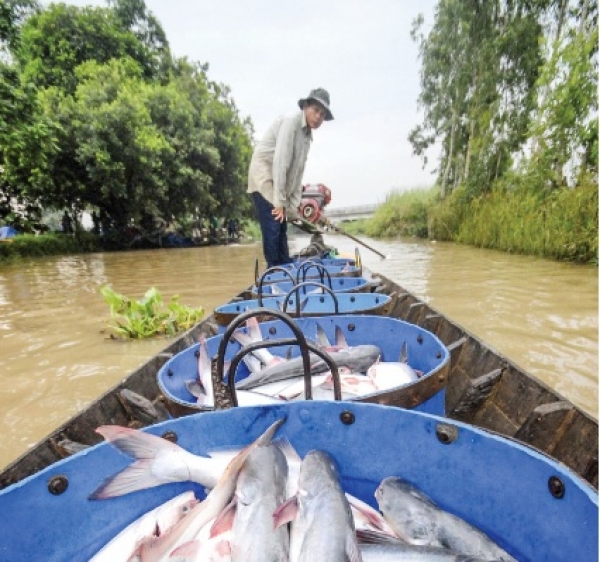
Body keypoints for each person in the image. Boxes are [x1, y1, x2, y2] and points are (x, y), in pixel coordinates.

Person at [247, 88, 333, 268]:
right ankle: (274, 271)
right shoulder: (290, 122)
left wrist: (292, 207)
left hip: (279, 183)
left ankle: (284, 266)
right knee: (273, 228)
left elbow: (296, 174)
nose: (318, 117)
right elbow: (280, 162)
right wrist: (279, 201)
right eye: (316, 110)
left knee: (282, 227)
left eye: (322, 114)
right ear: (306, 106)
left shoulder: (307, 137)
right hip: (265, 177)